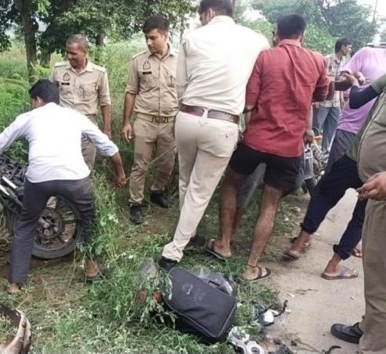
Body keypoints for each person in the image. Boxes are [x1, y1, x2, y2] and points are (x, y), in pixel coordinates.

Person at [0, 80, 126, 294]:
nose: (32, 105)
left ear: (38, 100)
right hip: (75, 178)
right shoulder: (76, 117)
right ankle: (91, 269)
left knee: (26, 225)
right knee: (89, 219)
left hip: (39, 179)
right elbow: (108, 146)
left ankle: (15, 284)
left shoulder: (28, 118)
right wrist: (120, 173)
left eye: (32, 102)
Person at [212, 14, 329, 281]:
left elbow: (249, 103)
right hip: (289, 148)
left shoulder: (266, 57)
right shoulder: (318, 60)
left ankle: (224, 244)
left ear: (277, 33)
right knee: (270, 204)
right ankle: (252, 267)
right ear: (303, 35)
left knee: (231, 183)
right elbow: (323, 95)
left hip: (256, 140)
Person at [158, 0, 269, 269]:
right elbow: (258, 83)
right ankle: (173, 251)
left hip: (187, 117)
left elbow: (180, 84)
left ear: (208, 13)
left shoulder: (192, 37)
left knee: (186, 180)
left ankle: (188, 233)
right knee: (200, 190)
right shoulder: (257, 40)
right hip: (223, 123)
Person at [286, 73, 386, 280]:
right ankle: (333, 266)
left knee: (324, 194)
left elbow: (356, 101)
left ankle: (299, 243)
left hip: (355, 156)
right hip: (379, 174)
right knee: (361, 218)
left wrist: (356, 84)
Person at [330, 72, 386, 353]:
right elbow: (360, 100)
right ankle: (371, 326)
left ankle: (373, 346)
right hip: (379, 194)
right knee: (376, 271)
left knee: (382, 278)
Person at [121, 15, 178, 224]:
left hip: (170, 122)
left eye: (153, 38)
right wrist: (126, 122)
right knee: (140, 164)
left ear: (165, 35)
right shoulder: (139, 61)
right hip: (144, 120)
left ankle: (157, 191)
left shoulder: (180, 61)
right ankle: (135, 203)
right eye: (146, 38)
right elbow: (131, 92)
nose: (148, 42)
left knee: (167, 163)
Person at [49, 34, 112, 170]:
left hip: (87, 129)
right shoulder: (58, 70)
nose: (69, 57)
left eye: (73, 53)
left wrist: (106, 129)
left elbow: (105, 101)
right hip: (63, 126)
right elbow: (49, 96)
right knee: (60, 166)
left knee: (85, 169)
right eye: (67, 53)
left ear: (84, 52)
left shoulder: (99, 73)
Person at [324, 45, 386, 174]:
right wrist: (353, 82)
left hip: (378, 141)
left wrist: (355, 86)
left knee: (370, 189)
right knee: (331, 183)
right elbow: (341, 86)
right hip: (350, 129)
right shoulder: (368, 53)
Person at [313, 38, 352, 155]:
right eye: (348, 47)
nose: (349, 50)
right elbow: (321, 79)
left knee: (332, 126)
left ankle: (324, 152)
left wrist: (341, 99)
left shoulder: (344, 61)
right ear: (342, 47)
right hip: (324, 99)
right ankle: (313, 151)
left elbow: (340, 83)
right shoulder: (327, 59)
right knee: (317, 126)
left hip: (335, 100)